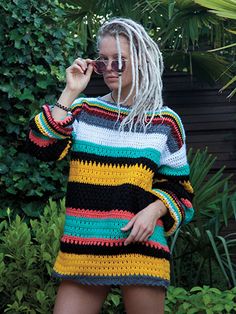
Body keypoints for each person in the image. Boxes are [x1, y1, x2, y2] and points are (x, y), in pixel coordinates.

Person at [27, 17, 194, 314]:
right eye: (103, 62)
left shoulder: (165, 122)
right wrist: (70, 92)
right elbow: (42, 147)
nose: (109, 69)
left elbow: (181, 192)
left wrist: (154, 210)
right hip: (84, 242)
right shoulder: (83, 110)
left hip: (139, 242)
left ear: (141, 61)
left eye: (119, 60)